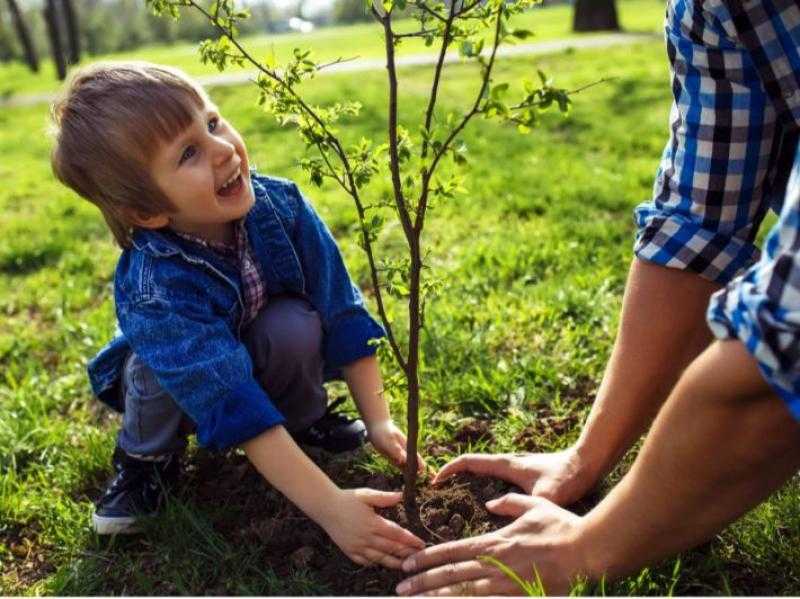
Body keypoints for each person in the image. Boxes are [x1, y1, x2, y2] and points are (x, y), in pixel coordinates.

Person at [397, 0, 800, 594]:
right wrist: (586, 458)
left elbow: (783, 343)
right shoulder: (709, 10)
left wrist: (587, 549)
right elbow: (696, 228)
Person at [50, 61, 425, 568]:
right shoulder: (155, 288)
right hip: (190, 390)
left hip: (257, 352)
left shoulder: (283, 207)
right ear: (148, 212)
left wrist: (379, 421)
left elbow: (342, 310)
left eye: (212, 122)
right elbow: (227, 396)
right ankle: (146, 462)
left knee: (294, 323)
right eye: (188, 153)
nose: (223, 149)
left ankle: (302, 422)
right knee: (152, 368)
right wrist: (332, 508)